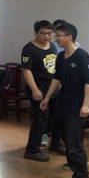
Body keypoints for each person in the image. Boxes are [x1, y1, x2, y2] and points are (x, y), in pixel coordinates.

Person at [40, 22, 89, 178]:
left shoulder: (82, 56)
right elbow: (56, 78)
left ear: (69, 37)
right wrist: (47, 97)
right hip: (63, 103)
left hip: (77, 106)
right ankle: (75, 162)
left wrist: (86, 105)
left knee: (73, 140)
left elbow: (88, 82)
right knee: (67, 137)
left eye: (58, 36)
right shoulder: (61, 56)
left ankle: (81, 176)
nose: (55, 39)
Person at [22, 20, 58, 162]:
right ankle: (32, 150)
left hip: (53, 89)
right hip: (39, 90)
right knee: (41, 121)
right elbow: (27, 71)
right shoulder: (29, 48)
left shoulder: (52, 46)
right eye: (43, 33)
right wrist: (35, 90)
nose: (46, 36)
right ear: (36, 33)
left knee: (56, 117)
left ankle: (55, 144)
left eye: (49, 33)